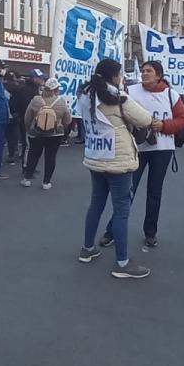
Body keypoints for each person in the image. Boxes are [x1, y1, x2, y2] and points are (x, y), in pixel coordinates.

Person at [76, 58, 154, 279]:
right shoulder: (117, 97)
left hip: (95, 156)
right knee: (121, 210)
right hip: (118, 160)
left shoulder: (85, 95)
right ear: (113, 76)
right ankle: (122, 263)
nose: (122, 78)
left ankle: (87, 248)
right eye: (120, 74)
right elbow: (145, 119)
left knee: (96, 204)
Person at [100, 61, 184, 249]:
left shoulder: (172, 95)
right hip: (137, 148)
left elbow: (182, 119)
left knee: (155, 192)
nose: (144, 73)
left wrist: (163, 126)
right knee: (127, 191)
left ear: (159, 75)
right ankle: (112, 230)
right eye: (144, 70)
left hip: (162, 149)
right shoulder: (130, 91)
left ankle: (150, 232)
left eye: (149, 71)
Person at [23, 77, 71, 189]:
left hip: (36, 133)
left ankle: (27, 179)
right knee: (50, 157)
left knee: (33, 155)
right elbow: (67, 120)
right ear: (56, 89)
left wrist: (29, 129)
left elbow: (27, 117)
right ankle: (46, 182)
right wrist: (61, 127)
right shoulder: (61, 101)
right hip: (55, 134)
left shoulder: (36, 100)